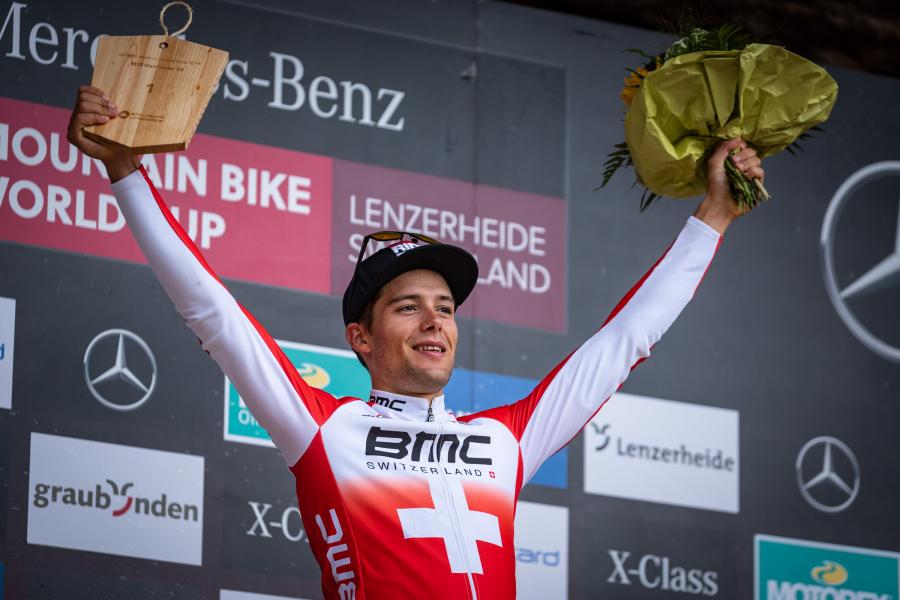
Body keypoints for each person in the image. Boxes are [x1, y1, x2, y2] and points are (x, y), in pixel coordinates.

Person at [67, 84, 764, 600]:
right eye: (408, 307)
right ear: (360, 338)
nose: (435, 321)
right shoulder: (323, 428)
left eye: (445, 308)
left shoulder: (505, 440)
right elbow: (213, 314)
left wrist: (714, 215)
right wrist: (125, 174)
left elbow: (625, 340)